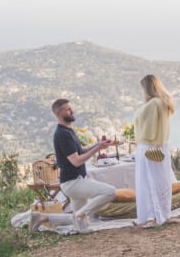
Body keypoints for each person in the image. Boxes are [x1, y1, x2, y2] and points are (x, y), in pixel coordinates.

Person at [30, 98, 116, 232]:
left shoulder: (68, 130)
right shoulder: (62, 134)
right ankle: (80, 215)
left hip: (75, 180)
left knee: (83, 228)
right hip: (73, 182)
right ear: (58, 113)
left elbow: (80, 151)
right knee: (110, 192)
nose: (72, 111)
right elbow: (76, 161)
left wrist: (98, 145)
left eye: (71, 108)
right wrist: (97, 149)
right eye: (68, 109)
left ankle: (41, 217)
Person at [134, 74, 176, 228]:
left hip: (149, 146)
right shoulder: (163, 103)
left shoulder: (153, 104)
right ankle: (159, 214)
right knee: (160, 181)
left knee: (148, 182)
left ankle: (153, 217)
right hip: (160, 146)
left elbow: (148, 127)